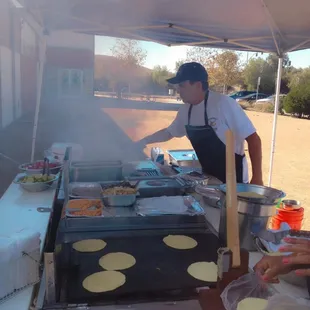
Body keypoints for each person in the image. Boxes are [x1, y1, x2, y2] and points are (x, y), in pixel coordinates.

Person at [136, 62, 263, 184]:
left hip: (235, 181)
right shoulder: (186, 110)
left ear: (197, 85)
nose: (178, 90)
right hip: (208, 178)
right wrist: (144, 141)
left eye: (181, 85)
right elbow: (169, 132)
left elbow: (253, 139)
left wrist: (257, 178)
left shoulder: (223, 104)